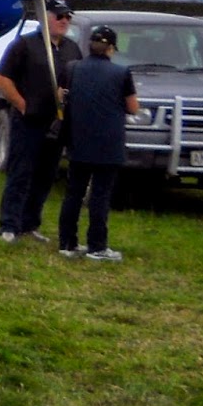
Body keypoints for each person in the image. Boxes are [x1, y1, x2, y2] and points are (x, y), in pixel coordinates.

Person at [0, 0, 82, 244]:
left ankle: (30, 223)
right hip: (28, 121)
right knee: (20, 172)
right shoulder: (24, 45)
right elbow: (1, 79)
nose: (64, 21)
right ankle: (8, 224)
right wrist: (21, 104)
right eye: (59, 16)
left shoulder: (72, 49)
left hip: (57, 123)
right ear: (46, 17)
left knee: (45, 175)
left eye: (68, 17)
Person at [58, 25, 138, 262]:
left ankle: (67, 243)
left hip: (78, 138)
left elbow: (61, 96)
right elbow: (133, 107)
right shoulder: (122, 73)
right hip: (108, 143)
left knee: (73, 193)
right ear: (111, 48)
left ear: (90, 46)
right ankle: (97, 246)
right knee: (100, 196)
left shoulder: (72, 68)